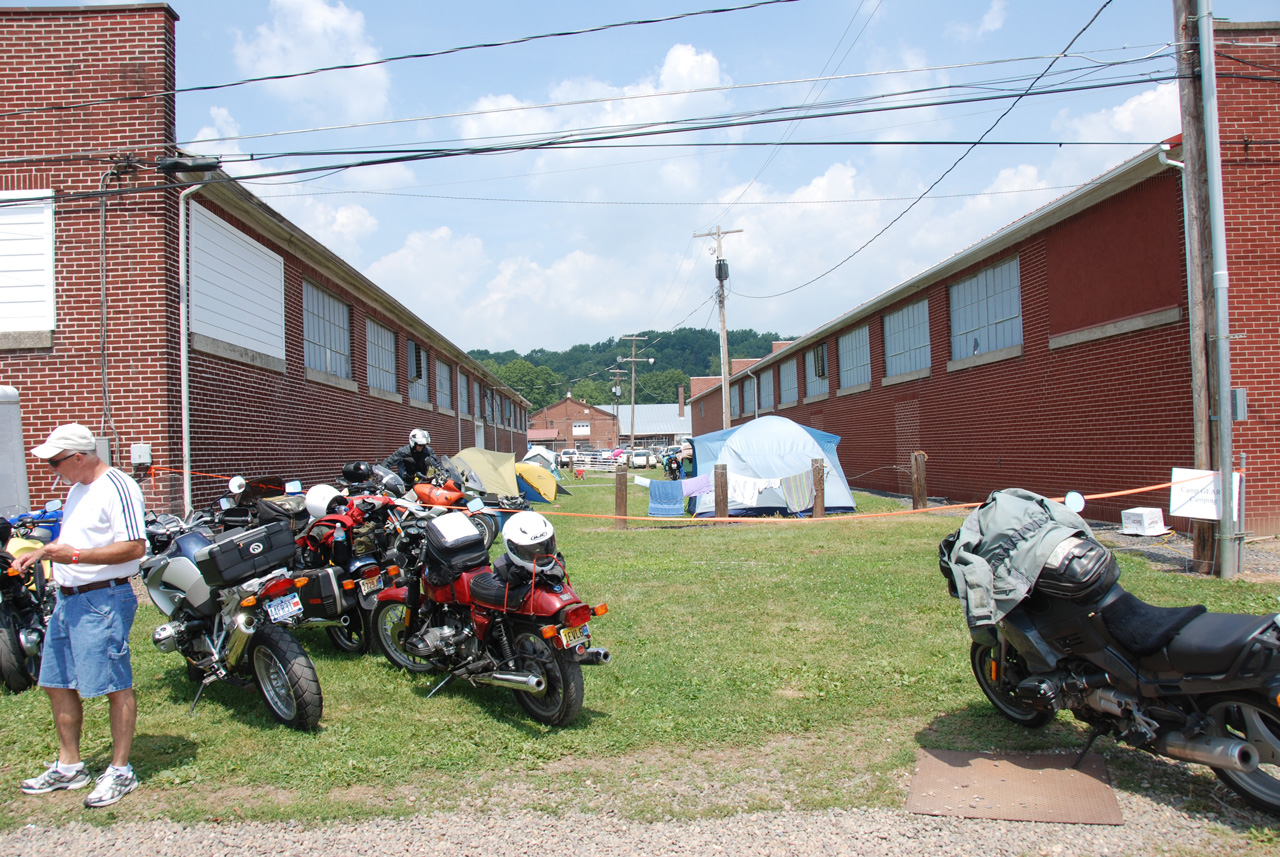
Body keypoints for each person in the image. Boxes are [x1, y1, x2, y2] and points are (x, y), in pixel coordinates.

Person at [15, 423, 146, 809]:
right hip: (68, 600)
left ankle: (120, 771)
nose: (52, 470)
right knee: (56, 681)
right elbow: (78, 541)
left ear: (78, 457)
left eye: (55, 463)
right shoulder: (77, 489)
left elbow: (135, 547)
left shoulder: (117, 486)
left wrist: (72, 557)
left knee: (113, 683)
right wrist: (41, 553)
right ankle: (70, 766)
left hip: (102, 599)